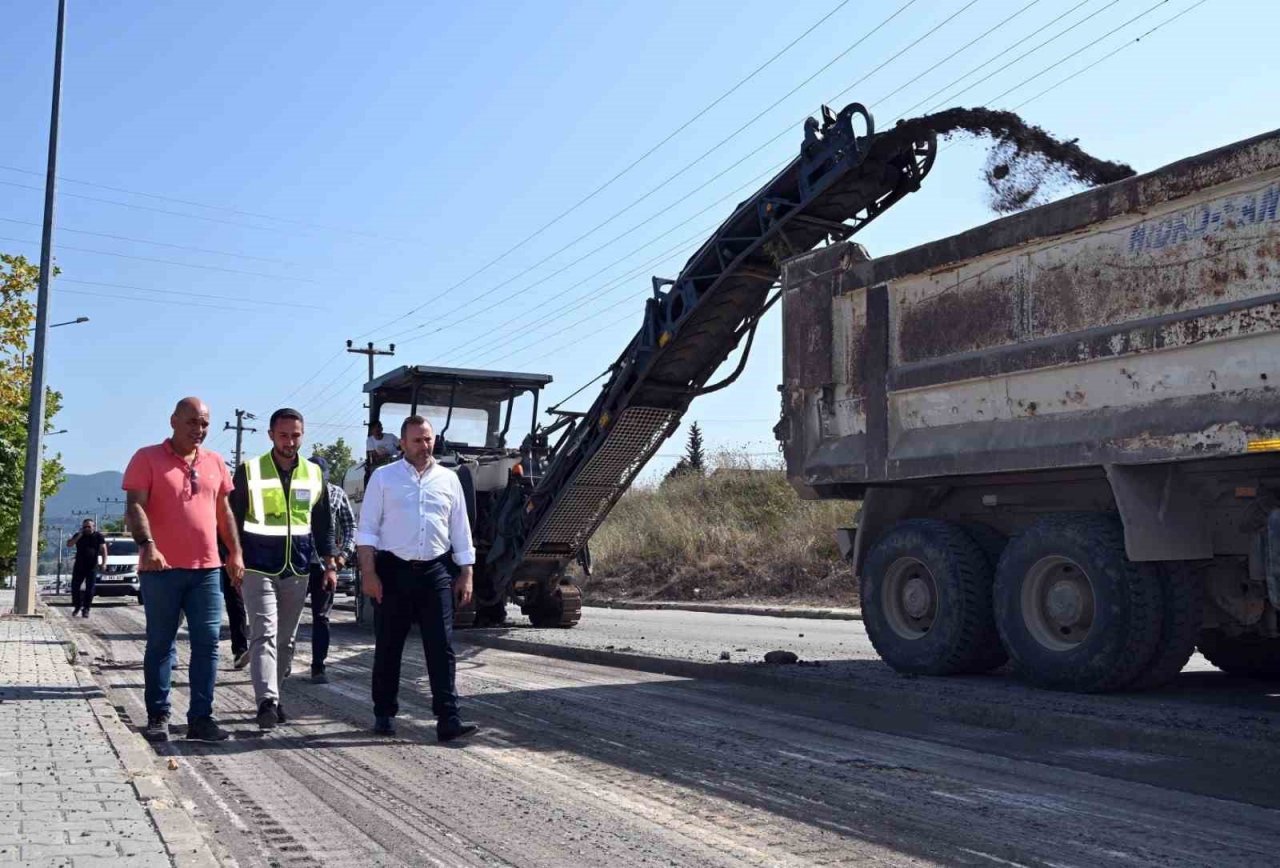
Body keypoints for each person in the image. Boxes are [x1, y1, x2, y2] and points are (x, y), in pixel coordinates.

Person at [123, 397, 244, 743]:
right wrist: (148, 545)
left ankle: (201, 719)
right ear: (173, 420)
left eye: (204, 423)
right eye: (192, 422)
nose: (199, 429)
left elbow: (224, 512)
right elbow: (134, 506)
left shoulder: (216, 462)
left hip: (207, 570)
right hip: (160, 570)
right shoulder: (146, 458)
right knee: (161, 643)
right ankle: (158, 714)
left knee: (208, 644)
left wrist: (235, 552)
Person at [357, 415, 478, 743]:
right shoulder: (383, 478)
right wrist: (369, 573)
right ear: (402, 443)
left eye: (428, 439)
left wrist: (466, 572)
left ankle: (448, 718)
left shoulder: (449, 480)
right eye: (417, 441)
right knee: (389, 645)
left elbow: (460, 530)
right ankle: (384, 713)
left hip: (435, 572)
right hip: (392, 571)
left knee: (441, 646)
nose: (424, 446)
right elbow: (367, 530)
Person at [230, 408, 336, 730]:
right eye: (284, 435)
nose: (290, 442)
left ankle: (274, 697)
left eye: (296, 435)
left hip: (298, 569)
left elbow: (322, 523)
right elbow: (232, 519)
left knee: (286, 641)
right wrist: (233, 557)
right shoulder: (249, 471)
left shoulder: (314, 473)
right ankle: (266, 701)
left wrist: (330, 562)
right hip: (258, 566)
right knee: (264, 633)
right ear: (271, 435)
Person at [306, 455, 356, 684]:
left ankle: (318, 666)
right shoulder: (295, 491)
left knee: (321, 617)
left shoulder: (336, 493)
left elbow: (350, 526)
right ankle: (283, 663)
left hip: (326, 566)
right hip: (296, 564)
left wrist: (344, 555)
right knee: (287, 617)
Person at [66, 518, 106, 618]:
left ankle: (86, 608)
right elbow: (69, 544)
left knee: (90, 589)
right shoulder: (79, 535)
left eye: (89, 526)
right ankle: (77, 605)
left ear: (93, 527)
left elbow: (104, 550)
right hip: (79, 566)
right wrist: (79, 536)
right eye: (85, 527)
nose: (87, 528)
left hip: (92, 566)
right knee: (75, 587)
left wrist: (104, 563)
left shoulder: (98, 536)